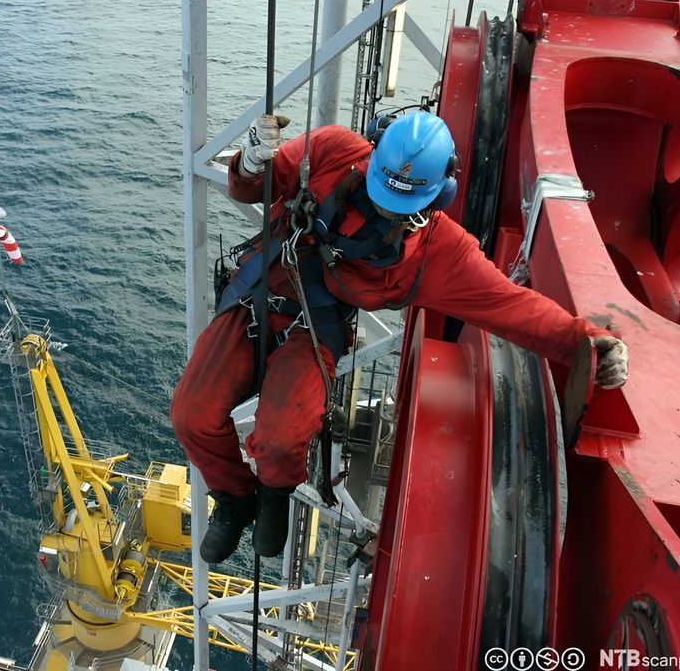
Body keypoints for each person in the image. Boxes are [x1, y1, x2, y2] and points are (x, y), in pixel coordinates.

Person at [170, 110, 629, 564]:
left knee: (280, 438)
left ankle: (274, 492)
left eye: (403, 205)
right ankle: (234, 498)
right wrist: (252, 162)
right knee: (192, 415)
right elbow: (254, 187)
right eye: (383, 193)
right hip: (258, 294)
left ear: (439, 195)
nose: (388, 210)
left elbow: (509, 305)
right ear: (372, 157)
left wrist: (584, 343)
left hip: (313, 328)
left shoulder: (439, 253)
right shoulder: (332, 152)